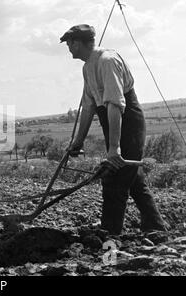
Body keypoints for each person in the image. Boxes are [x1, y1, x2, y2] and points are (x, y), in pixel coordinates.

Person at [60, 24, 167, 235]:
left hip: (128, 123)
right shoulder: (87, 67)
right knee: (133, 179)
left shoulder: (107, 61)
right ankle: (156, 227)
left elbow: (116, 105)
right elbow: (89, 107)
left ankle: (109, 237)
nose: (68, 48)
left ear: (78, 43)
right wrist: (78, 142)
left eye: (70, 43)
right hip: (112, 123)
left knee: (114, 181)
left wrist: (114, 148)